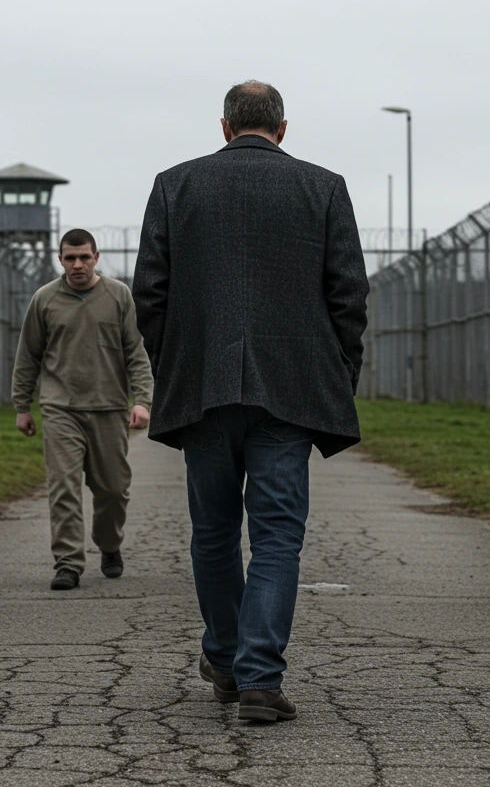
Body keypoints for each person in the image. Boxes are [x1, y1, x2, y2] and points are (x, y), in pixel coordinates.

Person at [132, 81, 368, 723]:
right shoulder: (323, 187)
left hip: (204, 388)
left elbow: (149, 293)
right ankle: (259, 678)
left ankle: (227, 657)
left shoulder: (174, 185)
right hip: (291, 390)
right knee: (276, 538)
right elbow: (348, 293)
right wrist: (337, 374)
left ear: (225, 125)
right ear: (283, 128)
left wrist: (177, 367)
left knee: (212, 533)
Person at [12, 228, 154, 591]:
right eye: (70, 258)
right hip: (61, 407)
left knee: (112, 490)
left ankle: (109, 545)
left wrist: (141, 400)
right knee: (64, 487)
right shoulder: (45, 299)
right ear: (60, 260)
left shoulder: (118, 295)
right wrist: (22, 406)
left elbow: (136, 352)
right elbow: (28, 355)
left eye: (84, 257)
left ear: (96, 257)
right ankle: (68, 563)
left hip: (108, 407)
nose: (77, 264)